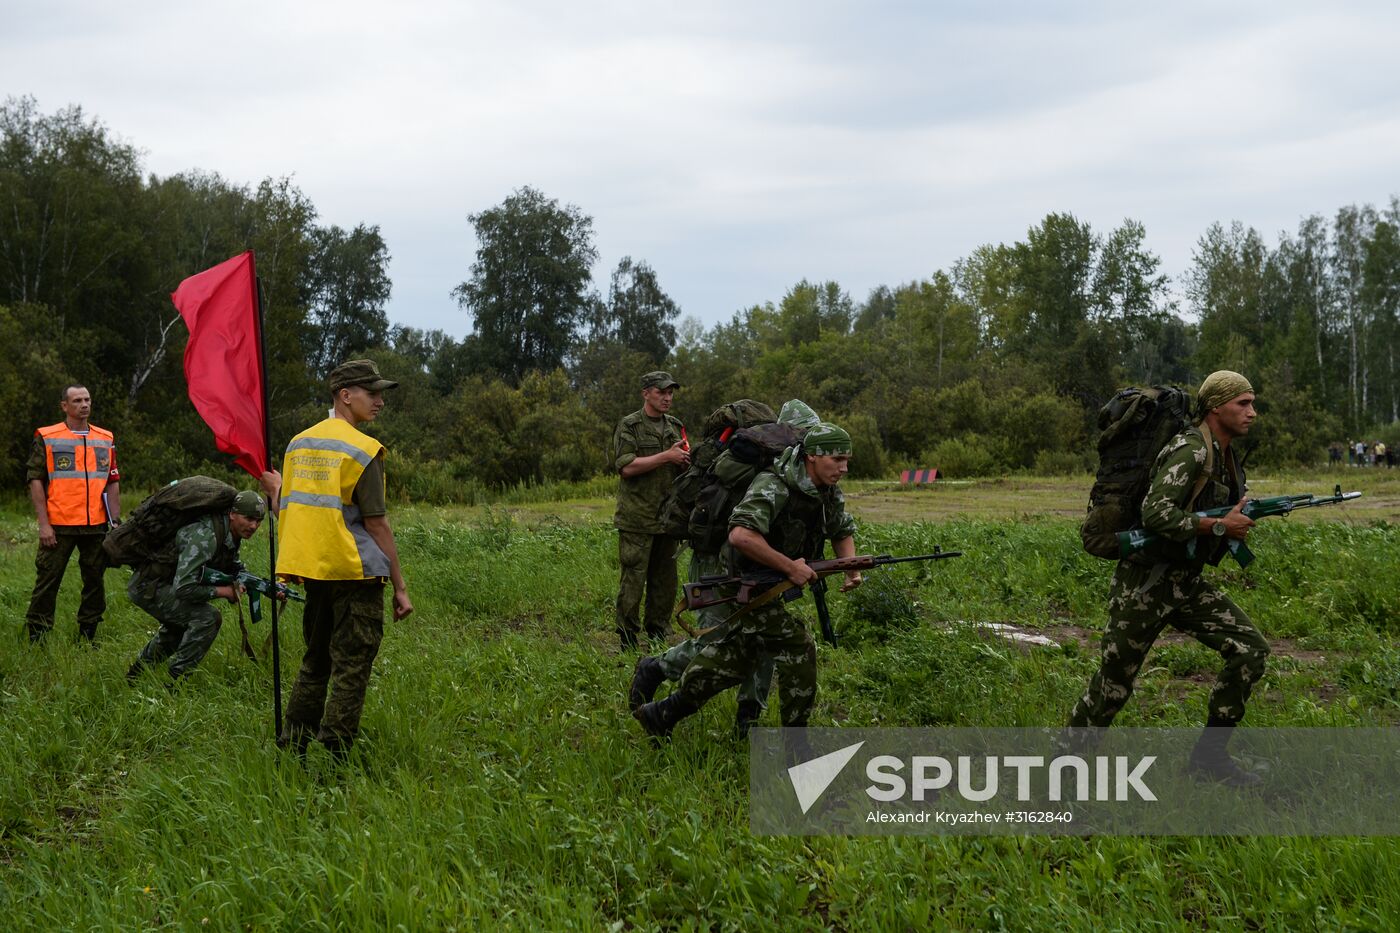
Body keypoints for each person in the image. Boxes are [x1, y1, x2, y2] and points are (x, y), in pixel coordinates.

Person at [1067, 370, 1270, 786]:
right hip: (1146, 585)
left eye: (1252, 403)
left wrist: (1237, 511)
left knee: (1250, 650)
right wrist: (1218, 528)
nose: (1252, 412)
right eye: (1243, 404)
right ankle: (1063, 773)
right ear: (1217, 407)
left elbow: (1206, 507)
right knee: (1113, 685)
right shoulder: (1191, 450)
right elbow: (1155, 513)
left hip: (1184, 582)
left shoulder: (1225, 453)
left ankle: (1209, 760)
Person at [633, 422, 862, 739]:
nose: (844, 468)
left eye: (847, 459)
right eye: (836, 459)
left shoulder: (826, 489)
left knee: (738, 657)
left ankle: (663, 713)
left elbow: (840, 528)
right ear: (811, 456)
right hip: (743, 580)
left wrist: (851, 568)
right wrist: (790, 567)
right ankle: (796, 744)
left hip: (770, 581)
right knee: (798, 645)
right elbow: (741, 536)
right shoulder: (774, 484)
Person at [276, 360, 413, 762]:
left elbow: (290, 506)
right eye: (373, 393)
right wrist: (400, 586)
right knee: (352, 667)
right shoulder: (363, 450)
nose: (380, 401)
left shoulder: (297, 444)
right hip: (356, 573)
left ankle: (293, 745)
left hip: (315, 570)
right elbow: (377, 525)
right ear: (345, 395)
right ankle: (333, 759)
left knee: (315, 661)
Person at [125, 490, 270, 682]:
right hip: (149, 585)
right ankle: (176, 682)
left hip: (163, 582)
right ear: (232, 514)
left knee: (177, 627)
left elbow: (233, 568)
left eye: (259, 521)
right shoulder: (206, 536)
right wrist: (223, 592)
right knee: (207, 618)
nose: (254, 525)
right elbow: (184, 588)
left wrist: (268, 588)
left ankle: (135, 677)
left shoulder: (230, 533)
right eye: (249, 518)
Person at [24, 384, 121, 643]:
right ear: (65, 406)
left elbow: (112, 480)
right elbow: (35, 480)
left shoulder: (105, 437)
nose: (84, 404)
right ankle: (37, 638)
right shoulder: (47, 436)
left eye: (87, 399)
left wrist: (115, 521)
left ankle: (88, 636)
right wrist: (44, 525)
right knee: (47, 582)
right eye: (77, 400)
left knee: (95, 583)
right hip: (59, 525)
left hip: (96, 525)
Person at [612, 371, 689, 649]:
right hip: (637, 518)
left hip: (668, 518)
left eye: (670, 393)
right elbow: (626, 467)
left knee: (665, 582)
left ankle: (658, 634)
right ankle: (628, 638)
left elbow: (684, 463)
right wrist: (666, 456)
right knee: (634, 579)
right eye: (661, 392)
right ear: (646, 393)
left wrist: (683, 461)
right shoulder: (630, 425)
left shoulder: (675, 426)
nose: (667, 398)